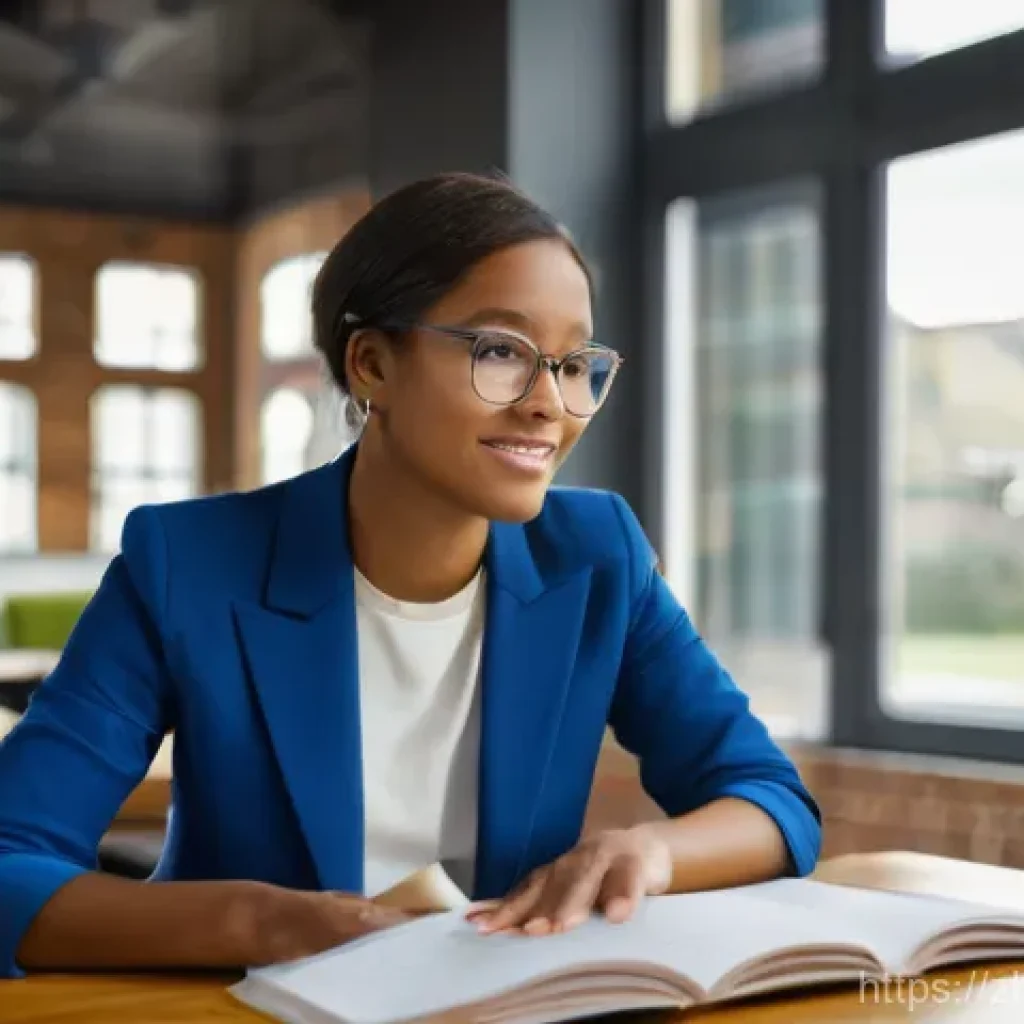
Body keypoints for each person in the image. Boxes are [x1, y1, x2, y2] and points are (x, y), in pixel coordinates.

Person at [0, 172, 820, 979]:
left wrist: (646, 851)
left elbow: (771, 802)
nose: (549, 404)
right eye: (502, 352)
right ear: (370, 366)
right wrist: (265, 921)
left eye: (574, 366)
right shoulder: (187, 565)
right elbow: (10, 863)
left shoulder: (598, 555)